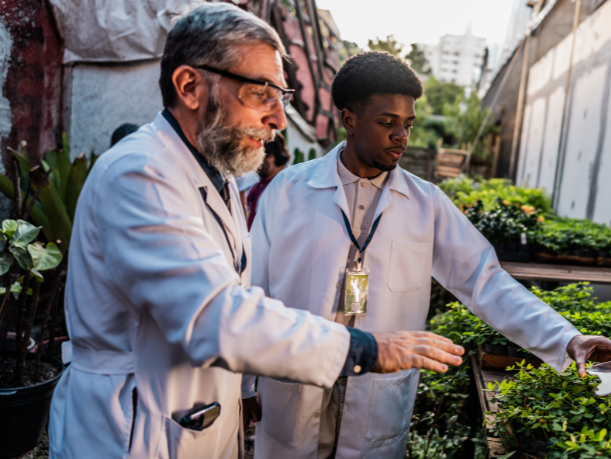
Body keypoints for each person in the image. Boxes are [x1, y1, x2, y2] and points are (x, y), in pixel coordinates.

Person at [48, 7, 463, 459]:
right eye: (261, 93)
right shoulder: (138, 174)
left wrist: (242, 391)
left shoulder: (217, 177)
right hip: (131, 427)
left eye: (281, 96)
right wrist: (365, 348)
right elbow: (215, 315)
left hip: (195, 416)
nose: (279, 119)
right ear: (189, 87)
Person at [246, 51, 611, 459]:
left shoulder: (426, 204)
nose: (402, 135)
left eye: (408, 124)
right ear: (348, 119)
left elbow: (485, 281)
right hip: (297, 379)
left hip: (378, 390)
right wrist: (242, 386)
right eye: (387, 123)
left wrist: (567, 338)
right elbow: (252, 290)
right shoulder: (289, 191)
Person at [246, 135, 290, 227]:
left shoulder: (288, 185)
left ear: (270, 157)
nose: (253, 162)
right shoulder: (259, 181)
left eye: (256, 157)